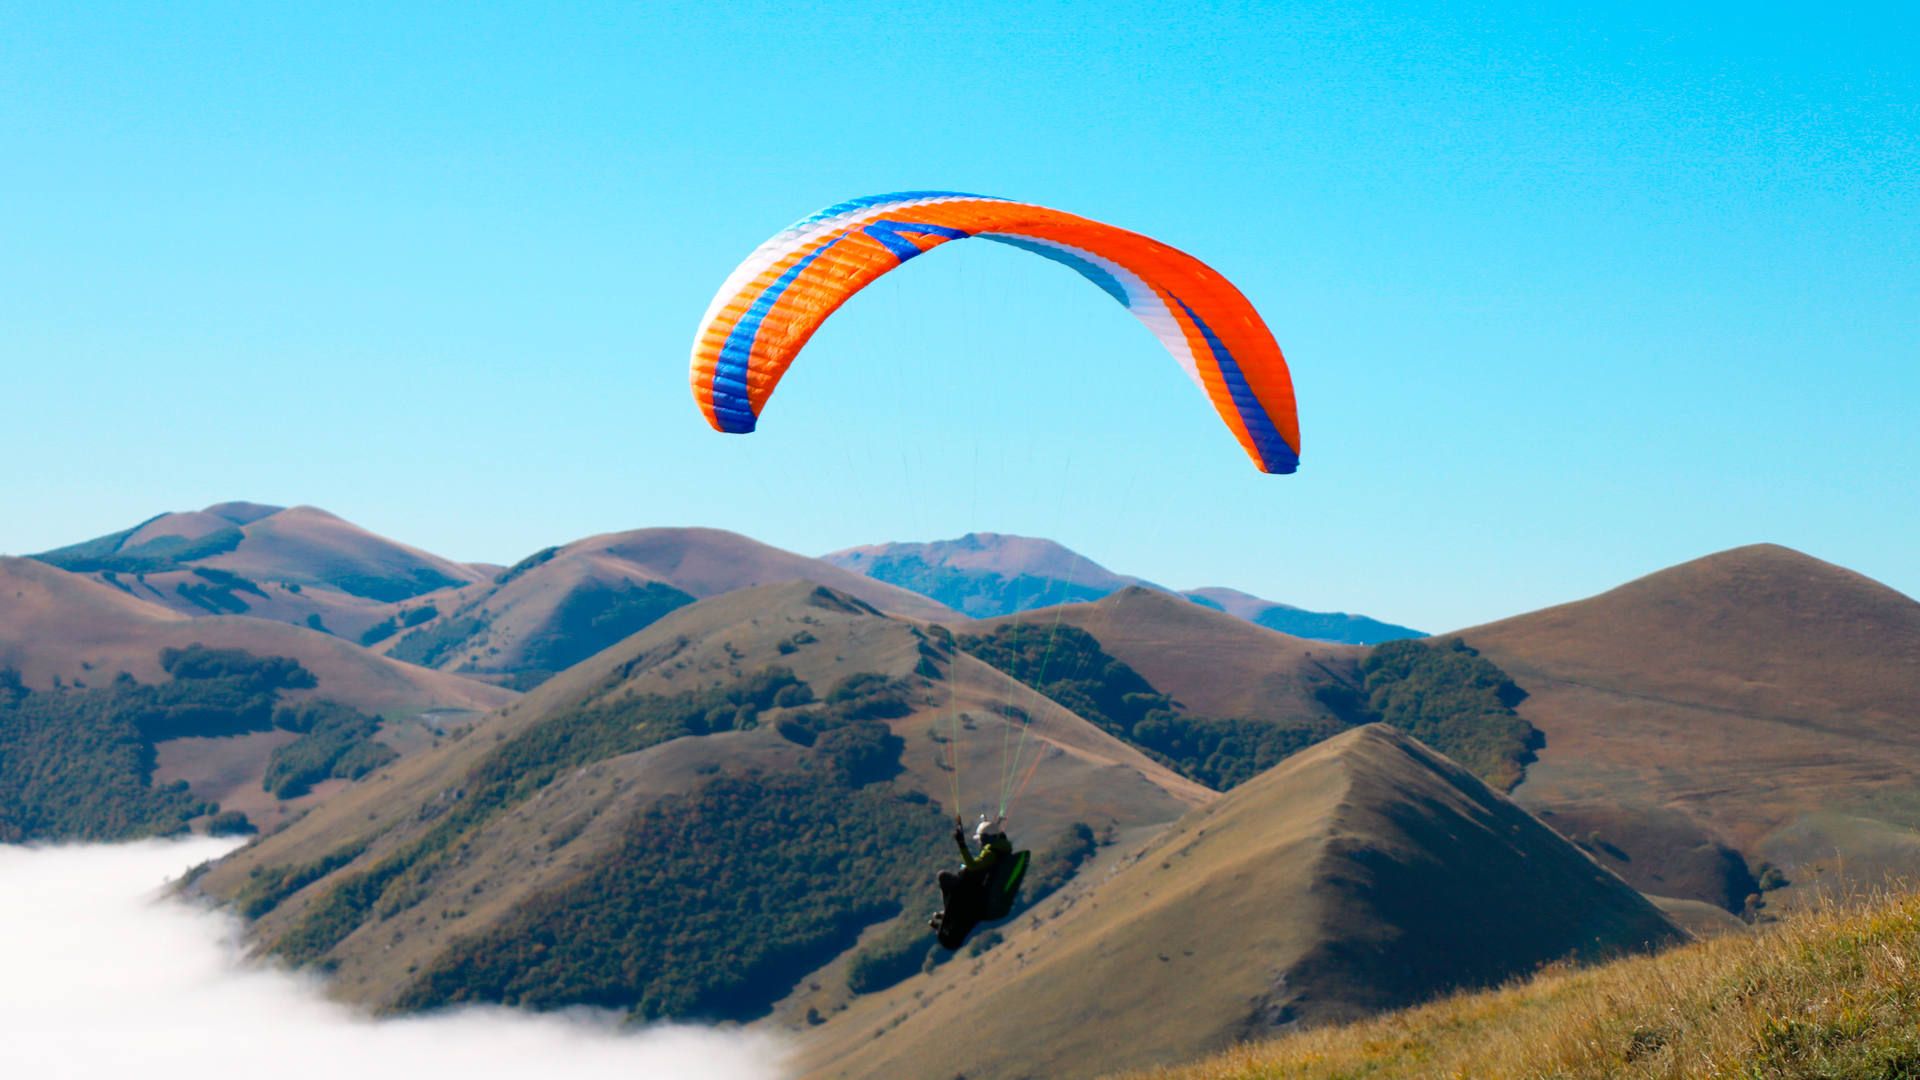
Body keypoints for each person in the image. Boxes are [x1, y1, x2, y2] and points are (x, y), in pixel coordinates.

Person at [930, 815, 1012, 948]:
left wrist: (961, 844)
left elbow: (973, 866)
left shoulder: (992, 853)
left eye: (981, 839)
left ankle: (949, 913)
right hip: (981, 891)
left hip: (975, 893)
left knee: (943, 877)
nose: (980, 843)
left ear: (986, 839)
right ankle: (950, 913)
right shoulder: (1002, 849)